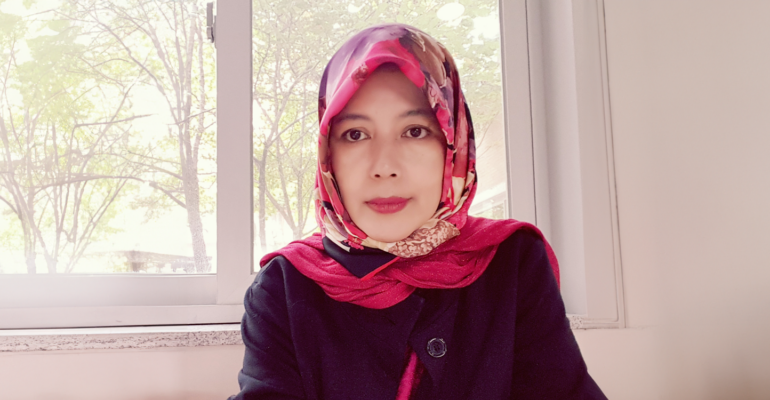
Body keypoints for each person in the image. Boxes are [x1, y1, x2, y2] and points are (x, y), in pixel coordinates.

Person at [229, 23, 607, 400]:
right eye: (355, 134)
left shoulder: (512, 261)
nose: (384, 166)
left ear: (452, 145)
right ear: (329, 155)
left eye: (414, 131)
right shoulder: (284, 287)